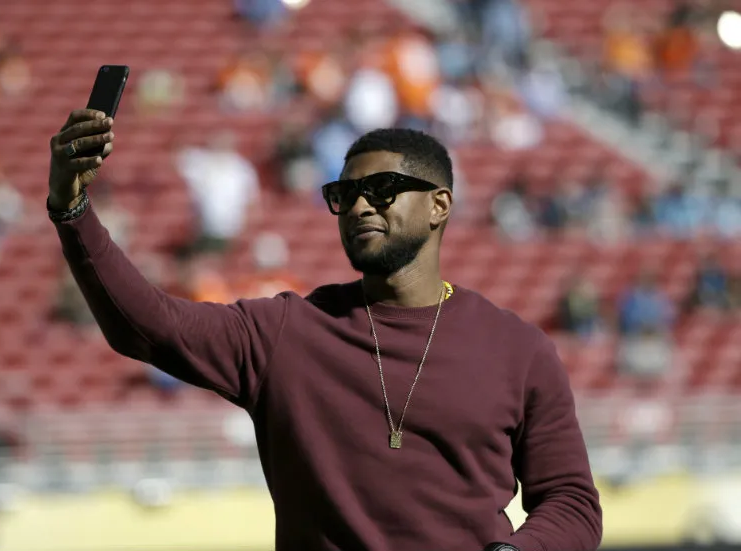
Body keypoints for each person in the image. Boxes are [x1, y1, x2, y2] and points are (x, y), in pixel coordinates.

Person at [46, 109, 602, 551]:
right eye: (345, 194)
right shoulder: (284, 331)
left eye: (383, 188)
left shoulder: (518, 348)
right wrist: (72, 208)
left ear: (439, 205)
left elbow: (571, 502)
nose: (359, 205)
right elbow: (146, 325)